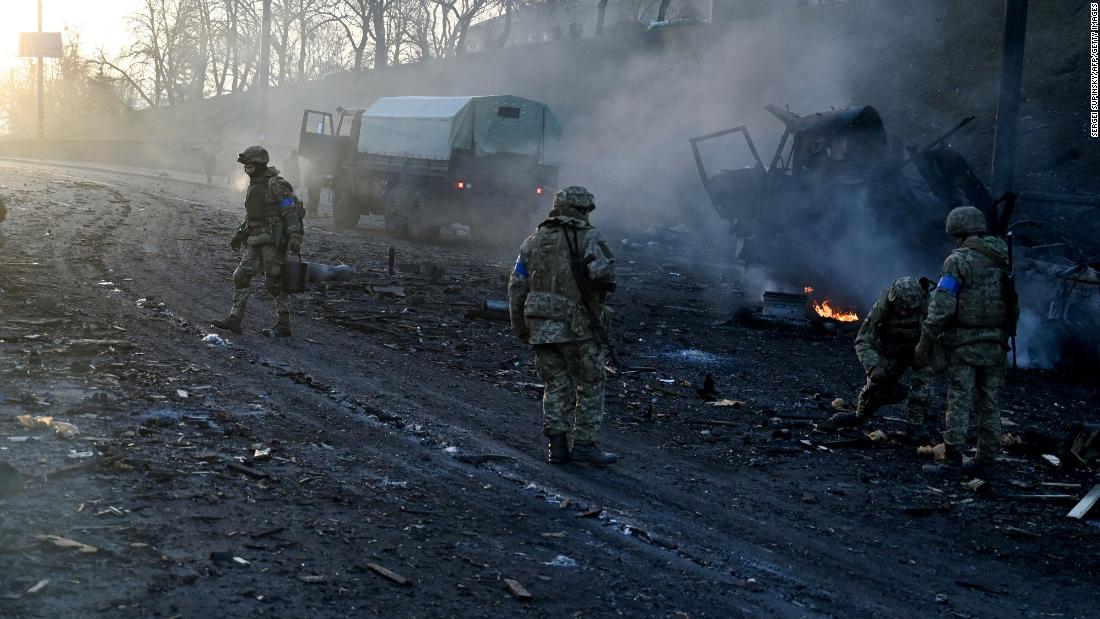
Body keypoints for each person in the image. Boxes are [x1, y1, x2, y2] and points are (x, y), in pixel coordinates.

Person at [508, 186, 617, 466]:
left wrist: (519, 325)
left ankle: (556, 448)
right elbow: (604, 273)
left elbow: (516, 286)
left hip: (539, 326)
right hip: (575, 325)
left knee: (555, 384)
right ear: (582, 210)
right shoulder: (588, 237)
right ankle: (584, 445)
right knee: (591, 381)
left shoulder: (531, 240)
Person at [916, 206, 1017, 479]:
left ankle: (953, 461)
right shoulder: (1001, 258)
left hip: (964, 343)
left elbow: (943, 306)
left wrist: (925, 339)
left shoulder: (957, 261)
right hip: (995, 343)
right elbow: (1011, 303)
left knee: (959, 400)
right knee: (989, 402)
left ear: (957, 233)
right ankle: (985, 460)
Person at [826, 276, 936, 443]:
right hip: (889, 352)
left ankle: (915, 426)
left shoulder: (927, 306)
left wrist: (933, 354)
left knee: (924, 381)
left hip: (917, 351)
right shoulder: (881, 309)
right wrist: (873, 366)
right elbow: (863, 339)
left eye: (909, 309)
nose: (904, 312)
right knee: (875, 388)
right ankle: (859, 416)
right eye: (901, 308)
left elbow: (941, 331)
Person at [211, 146, 304, 338]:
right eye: (246, 167)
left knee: (275, 282)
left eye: (251, 167)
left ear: (261, 165)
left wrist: (295, 236)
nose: (248, 171)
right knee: (241, 276)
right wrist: (240, 233)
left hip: (273, 242)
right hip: (255, 239)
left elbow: (290, 211)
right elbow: (254, 214)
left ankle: (284, 324)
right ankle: (235, 319)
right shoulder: (255, 184)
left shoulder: (276, 184)